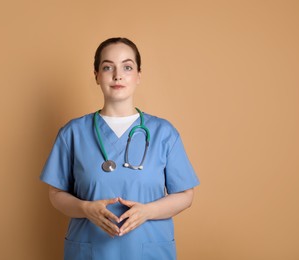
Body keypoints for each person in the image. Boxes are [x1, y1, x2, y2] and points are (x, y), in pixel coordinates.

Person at [40, 37, 200, 260]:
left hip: (147, 251)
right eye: (107, 67)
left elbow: (185, 195)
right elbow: (56, 194)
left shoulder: (164, 133)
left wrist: (148, 212)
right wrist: (86, 208)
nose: (118, 75)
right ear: (96, 75)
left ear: (138, 75)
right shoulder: (73, 133)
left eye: (127, 67)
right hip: (91, 251)